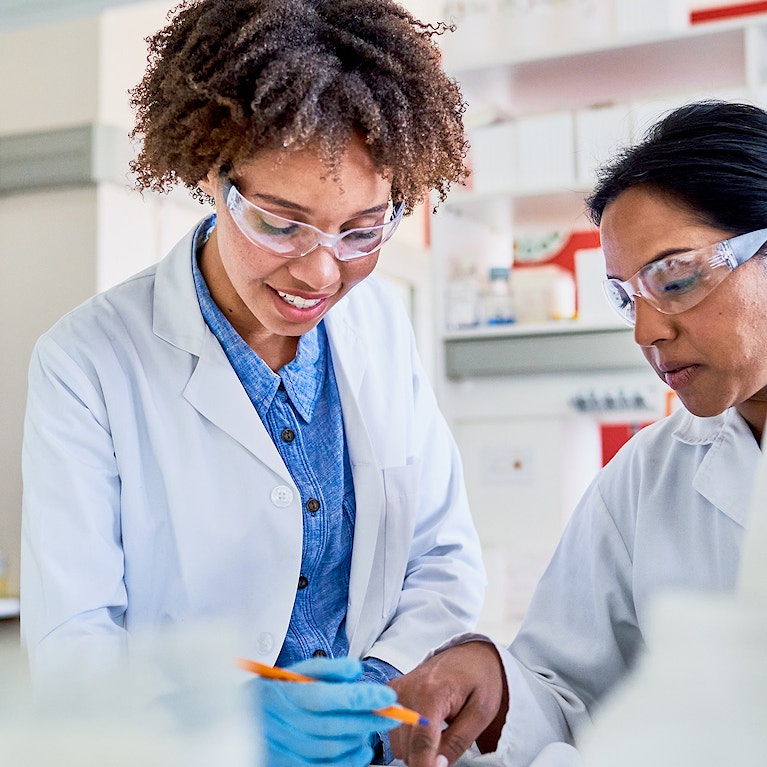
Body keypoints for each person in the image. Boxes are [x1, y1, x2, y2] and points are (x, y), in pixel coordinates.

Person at [19, 1, 486, 764]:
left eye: (362, 229)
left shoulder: (382, 324)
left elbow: (440, 553)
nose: (319, 269)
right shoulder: (88, 360)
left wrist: (373, 684)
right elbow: (72, 642)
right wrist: (224, 715)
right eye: (279, 222)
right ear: (210, 172)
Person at [388, 99, 767, 767]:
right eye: (627, 297)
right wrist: (498, 682)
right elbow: (568, 691)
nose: (646, 332)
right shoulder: (648, 477)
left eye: (674, 279)